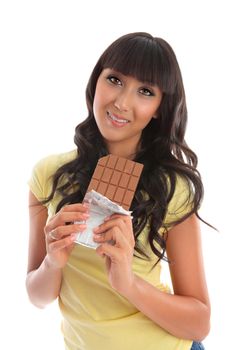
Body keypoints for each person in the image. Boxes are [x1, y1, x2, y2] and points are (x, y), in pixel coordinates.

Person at [26, 32, 210, 350]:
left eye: (145, 91)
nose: (122, 102)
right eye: (114, 79)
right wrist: (52, 263)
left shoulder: (172, 189)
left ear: (159, 108)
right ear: (96, 80)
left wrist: (128, 283)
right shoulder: (48, 176)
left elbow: (200, 322)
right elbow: (37, 296)